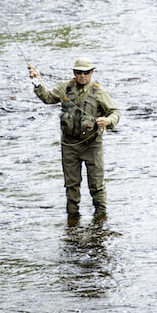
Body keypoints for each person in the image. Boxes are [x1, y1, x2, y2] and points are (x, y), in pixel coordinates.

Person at [28, 57, 120, 218]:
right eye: (78, 72)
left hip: (92, 145)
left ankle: (101, 219)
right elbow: (48, 98)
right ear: (74, 73)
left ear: (92, 73)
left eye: (86, 72)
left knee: (96, 185)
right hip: (69, 145)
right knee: (71, 185)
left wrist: (107, 121)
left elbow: (115, 113)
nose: (82, 76)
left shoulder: (99, 92)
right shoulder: (65, 88)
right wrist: (37, 80)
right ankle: (72, 219)